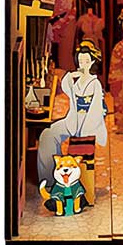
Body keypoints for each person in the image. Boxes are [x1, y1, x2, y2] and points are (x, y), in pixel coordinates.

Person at [37, 39, 108, 189]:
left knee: (52, 134)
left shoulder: (95, 83)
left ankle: (56, 179)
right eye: (81, 61)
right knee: (47, 135)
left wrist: (84, 131)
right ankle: (49, 177)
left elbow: (96, 110)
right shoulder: (78, 80)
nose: (83, 64)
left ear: (92, 62)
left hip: (86, 123)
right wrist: (71, 75)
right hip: (73, 119)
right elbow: (66, 87)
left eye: (87, 61)